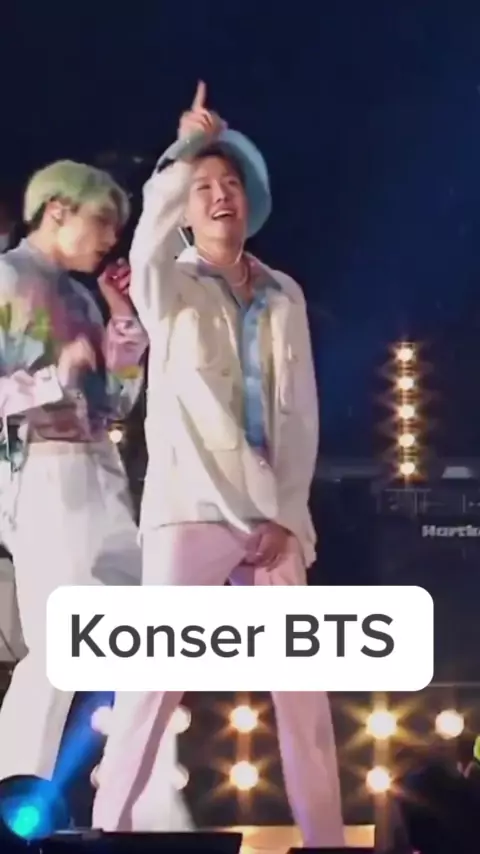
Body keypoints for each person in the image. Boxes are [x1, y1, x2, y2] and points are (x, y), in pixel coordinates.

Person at [92, 83, 343, 847]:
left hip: (271, 514)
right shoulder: (166, 280)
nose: (218, 195)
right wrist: (185, 147)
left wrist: (288, 516)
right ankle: (104, 834)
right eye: (202, 187)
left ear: (250, 197)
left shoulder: (284, 293)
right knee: (150, 688)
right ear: (185, 206)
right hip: (192, 508)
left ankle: (327, 840)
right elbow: (147, 233)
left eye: (229, 182)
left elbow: (301, 415)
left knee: (303, 696)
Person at [0, 159, 190, 831]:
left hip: (100, 475)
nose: (112, 237)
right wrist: (55, 377)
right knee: (59, 650)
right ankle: (13, 799)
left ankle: (149, 804)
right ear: (57, 210)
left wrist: (122, 325)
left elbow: (115, 403)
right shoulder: (8, 279)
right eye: (102, 220)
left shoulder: (80, 297)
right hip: (42, 478)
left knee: (142, 643)